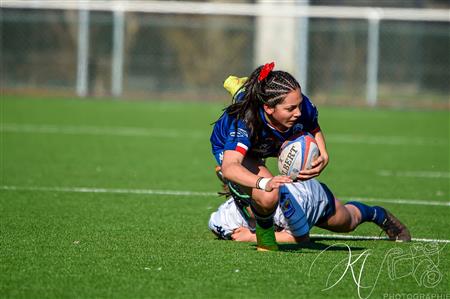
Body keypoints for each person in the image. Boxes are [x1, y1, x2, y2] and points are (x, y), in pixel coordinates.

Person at [210, 62, 329, 251]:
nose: (298, 112)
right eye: (291, 109)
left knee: (344, 222)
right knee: (267, 195)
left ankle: (244, 87)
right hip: (236, 146)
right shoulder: (244, 120)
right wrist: (264, 183)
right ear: (268, 108)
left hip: (270, 140)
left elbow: (313, 126)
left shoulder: (299, 105)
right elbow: (230, 166)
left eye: (299, 105)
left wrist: (323, 154)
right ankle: (264, 239)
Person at [208, 179, 411, 243]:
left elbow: (300, 239)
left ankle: (377, 214)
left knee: (348, 222)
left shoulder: (287, 205)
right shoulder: (225, 217)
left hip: (312, 198)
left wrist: (253, 238)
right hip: (300, 198)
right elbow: (217, 226)